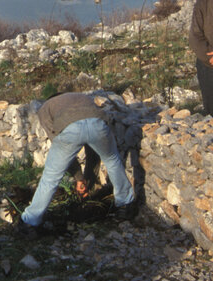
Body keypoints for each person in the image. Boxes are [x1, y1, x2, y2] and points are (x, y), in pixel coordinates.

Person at [18, 92, 136, 233]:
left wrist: (79, 178)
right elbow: (93, 150)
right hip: (98, 123)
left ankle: (30, 221)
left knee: (51, 177)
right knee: (112, 160)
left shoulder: (45, 108)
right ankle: (125, 204)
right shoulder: (82, 96)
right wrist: (87, 180)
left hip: (70, 130)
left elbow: (58, 142)